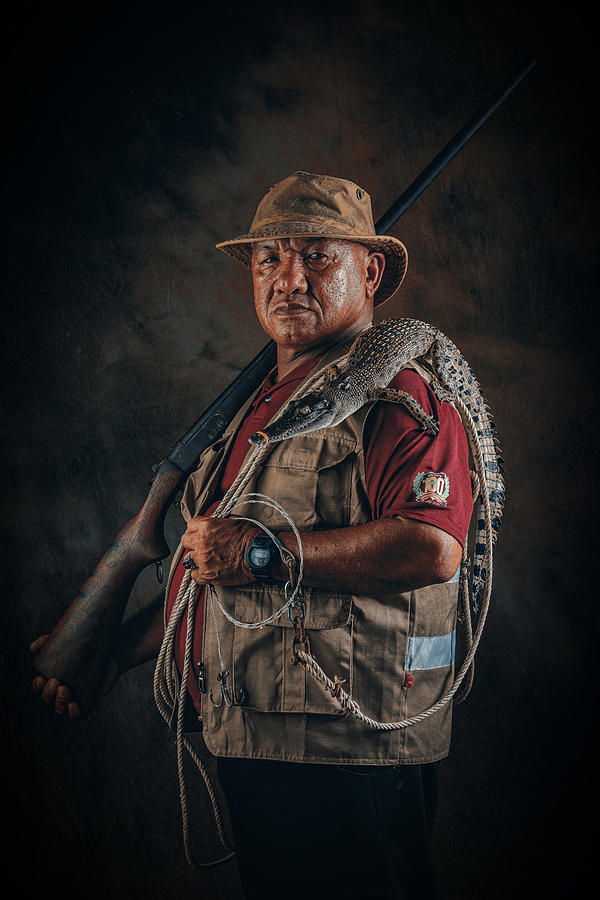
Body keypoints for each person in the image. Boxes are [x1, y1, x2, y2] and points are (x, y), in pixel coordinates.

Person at [31, 172, 474, 899]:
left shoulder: (399, 394)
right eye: (270, 259)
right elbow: (210, 576)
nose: (289, 278)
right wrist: (112, 655)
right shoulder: (259, 410)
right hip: (258, 737)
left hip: (344, 749)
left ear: (370, 273)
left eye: (317, 257)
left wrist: (263, 551)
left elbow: (431, 546)